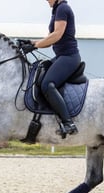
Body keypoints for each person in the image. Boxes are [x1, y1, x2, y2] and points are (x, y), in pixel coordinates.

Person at [33, 0, 81, 137]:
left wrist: (36, 45)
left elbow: (57, 35)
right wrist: (31, 42)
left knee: (48, 84)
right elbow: (50, 39)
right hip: (61, 56)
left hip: (69, 57)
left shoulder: (63, 9)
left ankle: (68, 123)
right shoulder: (56, 10)